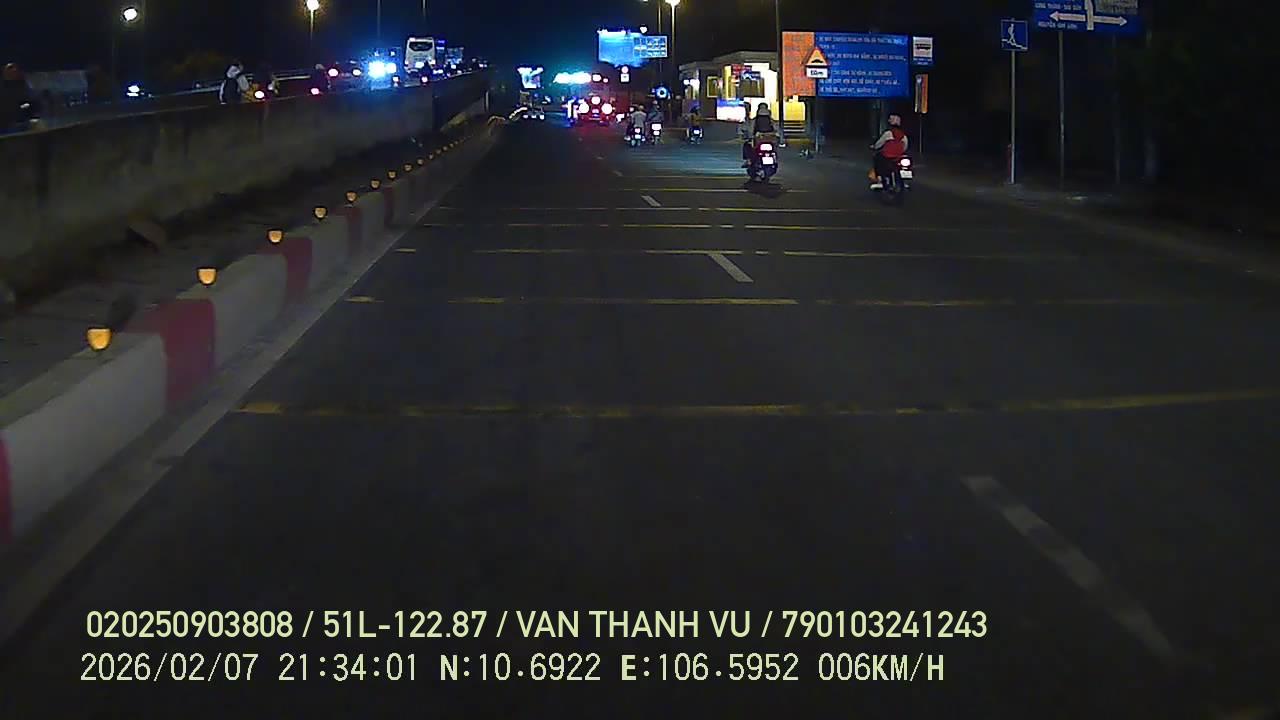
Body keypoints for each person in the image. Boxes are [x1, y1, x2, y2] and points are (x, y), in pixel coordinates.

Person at [869, 113, 909, 189]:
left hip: (887, 156)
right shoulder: (904, 136)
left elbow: (879, 144)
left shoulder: (888, 133)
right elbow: (905, 147)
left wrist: (874, 147)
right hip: (898, 157)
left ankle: (880, 178)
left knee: (877, 158)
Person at [1, 63, 38, 132]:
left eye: (14, 71)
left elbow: (30, 103)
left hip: (21, 122)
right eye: (9, 72)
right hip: (7, 124)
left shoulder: (23, 86)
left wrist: (21, 107)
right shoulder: (4, 88)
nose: (12, 73)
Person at [743, 102, 776, 166]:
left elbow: (750, 130)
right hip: (770, 139)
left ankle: (748, 160)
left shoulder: (754, 121)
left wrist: (749, 136)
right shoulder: (771, 121)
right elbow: (777, 130)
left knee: (747, 145)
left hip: (758, 140)